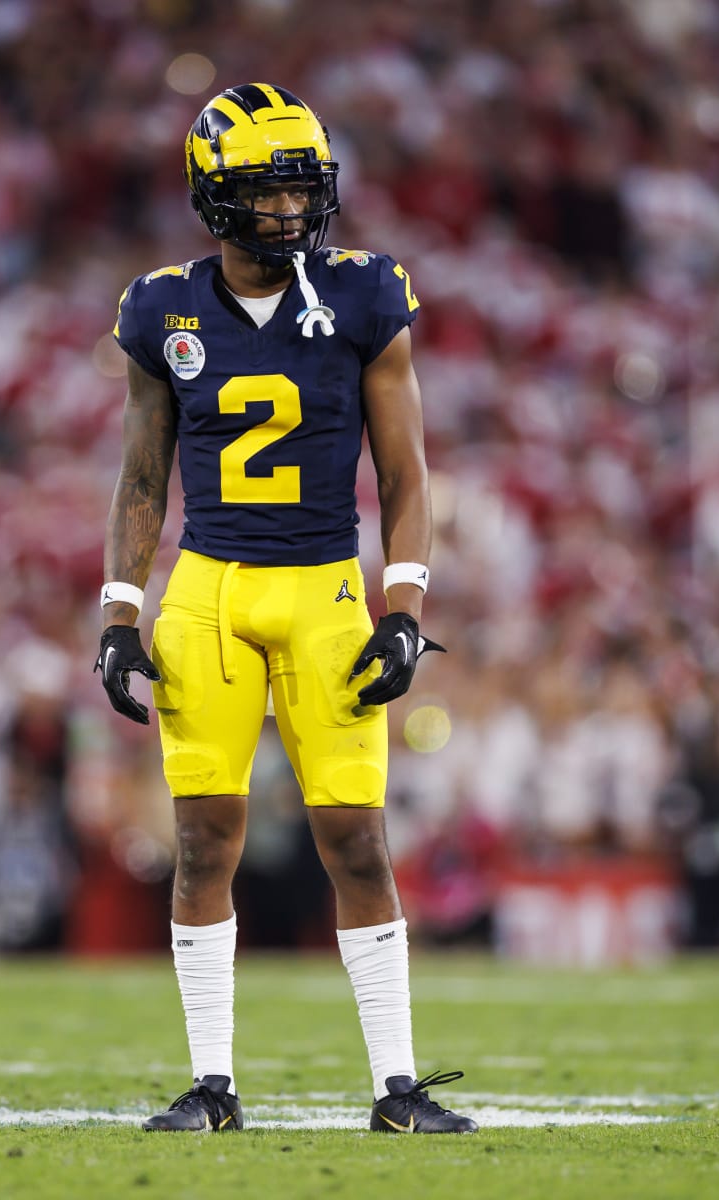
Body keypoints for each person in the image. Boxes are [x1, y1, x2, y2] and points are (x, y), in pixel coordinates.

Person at [95, 83, 474, 1135]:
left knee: (355, 836)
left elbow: (407, 475)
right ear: (214, 198)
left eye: (301, 188)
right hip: (208, 589)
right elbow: (141, 478)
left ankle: (396, 1089)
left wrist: (403, 607)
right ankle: (212, 1086)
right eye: (266, 191)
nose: (291, 212)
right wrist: (121, 612)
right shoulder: (161, 308)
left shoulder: (364, 295)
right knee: (204, 837)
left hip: (324, 588)